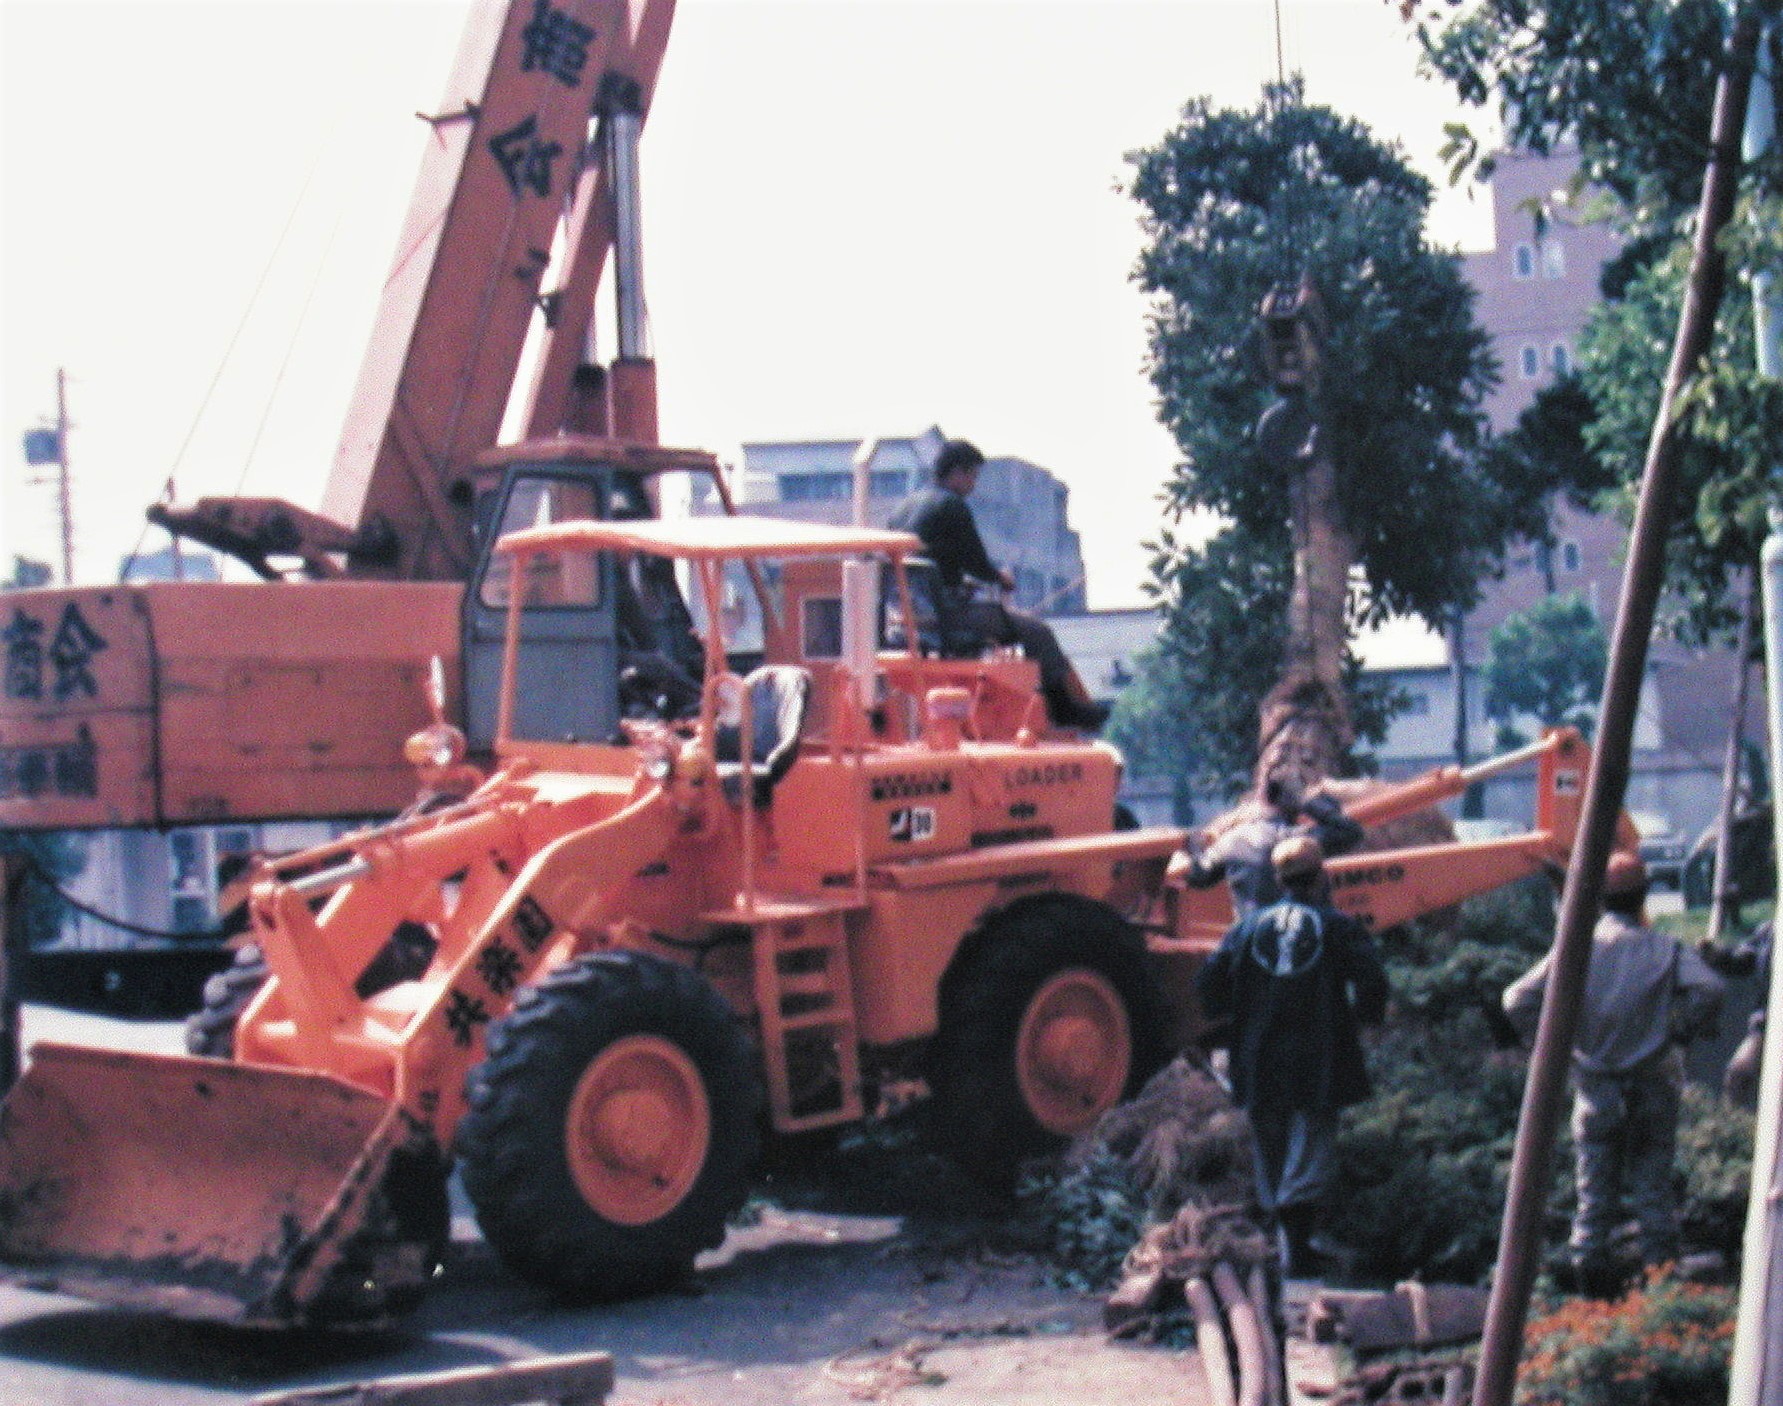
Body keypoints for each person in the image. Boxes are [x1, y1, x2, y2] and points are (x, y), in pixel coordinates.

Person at [1501, 851, 1724, 1297]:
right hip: (1652, 1083)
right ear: (1643, 895)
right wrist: (1679, 1031)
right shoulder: (1665, 949)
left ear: (1600, 898)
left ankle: (1591, 1294)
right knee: (1653, 1191)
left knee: (1593, 1196)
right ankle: (1659, 1295)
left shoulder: (1577, 948)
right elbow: (1711, 989)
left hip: (1596, 1087)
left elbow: (1515, 1000)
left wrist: (1556, 1047)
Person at [1195, 835, 1390, 1275]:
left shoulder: (1246, 928)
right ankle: (1297, 1253)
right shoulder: (1336, 925)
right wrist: (1364, 1021)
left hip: (1258, 1054)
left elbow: (1208, 984)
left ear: (1278, 879)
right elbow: (1372, 980)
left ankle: (1277, 1246)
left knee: (1271, 1147)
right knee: (1310, 1147)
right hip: (1318, 1054)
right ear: (1321, 875)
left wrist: (1231, 1025)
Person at [888, 439, 1107, 731]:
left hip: (906, 621)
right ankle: (1064, 709)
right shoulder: (952, 506)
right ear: (956, 473)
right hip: (946, 618)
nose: (973, 485)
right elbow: (976, 561)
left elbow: (930, 567)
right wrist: (1001, 578)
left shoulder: (901, 510)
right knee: (1037, 633)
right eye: (972, 476)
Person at [1181, 772, 1364, 918]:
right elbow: (1351, 832)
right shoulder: (1303, 842)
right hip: (1306, 940)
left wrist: (1195, 849)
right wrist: (1309, 803)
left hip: (1254, 939)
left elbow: (1198, 877)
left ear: (1263, 798)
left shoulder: (1232, 842)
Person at [1700, 919, 1770, 1107]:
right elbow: (1744, 960)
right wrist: (1717, 956)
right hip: (1768, 1029)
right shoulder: (1772, 931)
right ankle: (1734, 1126)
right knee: (1738, 1075)